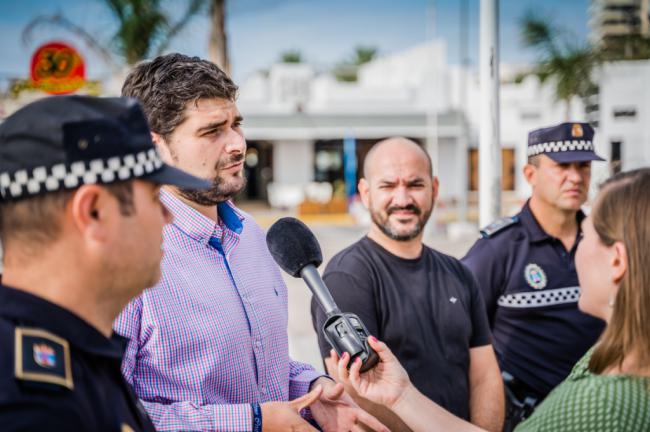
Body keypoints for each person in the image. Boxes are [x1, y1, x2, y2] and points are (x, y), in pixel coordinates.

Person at [113, 53, 387, 432]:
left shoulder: (253, 235)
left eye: (236, 125)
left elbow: (264, 364)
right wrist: (251, 421)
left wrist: (311, 388)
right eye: (212, 132)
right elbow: (101, 410)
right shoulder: (117, 258)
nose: (238, 145)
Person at [335, 168, 650, 432]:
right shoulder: (613, 357)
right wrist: (400, 395)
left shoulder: (602, 402)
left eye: (587, 234)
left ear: (617, 261)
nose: (575, 247)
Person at [0, 95, 209, 430]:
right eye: (155, 197)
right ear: (94, 212)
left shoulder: (75, 355)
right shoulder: (27, 403)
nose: (168, 216)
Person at [310, 137, 504, 431]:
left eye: (415, 185)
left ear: (434, 189)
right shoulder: (345, 278)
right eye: (388, 186)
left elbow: (485, 376)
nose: (402, 199)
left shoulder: (459, 274)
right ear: (365, 193)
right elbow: (357, 395)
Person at [461, 122, 606, 428]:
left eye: (583, 166)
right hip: (527, 418)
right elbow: (458, 334)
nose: (576, 177)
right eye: (562, 166)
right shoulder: (497, 249)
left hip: (597, 411)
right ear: (530, 175)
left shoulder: (604, 241)